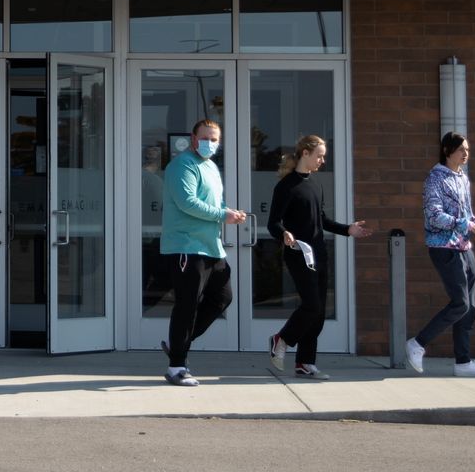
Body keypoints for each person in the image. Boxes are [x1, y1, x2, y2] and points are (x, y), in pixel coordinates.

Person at [266, 134, 372, 379]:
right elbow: (273, 222)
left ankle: (305, 363)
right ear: (305, 153)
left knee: (319, 312)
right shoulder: (286, 186)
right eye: (319, 156)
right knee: (311, 305)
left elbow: (321, 220)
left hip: (318, 253)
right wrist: (284, 234)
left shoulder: (315, 184)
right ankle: (281, 339)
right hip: (298, 254)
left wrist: (347, 229)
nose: (322, 161)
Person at [159, 118, 248, 386]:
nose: (210, 143)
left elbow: (215, 202)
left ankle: (179, 346)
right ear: (193, 138)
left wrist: (228, 212)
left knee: (223, 297)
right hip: (187, 247)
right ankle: (176, 367)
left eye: (215, 139)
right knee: (187, 305)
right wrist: (224, 215)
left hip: (211, 247)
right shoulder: (181, 166)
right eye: (205, 138)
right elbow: (188, 203)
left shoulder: (210, 167)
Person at [407, 131, 475, 377]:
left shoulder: (462, 178)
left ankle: (463, 362)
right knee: (460, 303)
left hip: (464, 248)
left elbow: (466, 214)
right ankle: (418, 343)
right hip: (443, 247)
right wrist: (467, 226)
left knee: (470, 308)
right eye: (461, 150)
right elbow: (434, 216)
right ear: (447, 151)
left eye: (467, 149)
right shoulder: (435, 179)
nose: (466, 154)